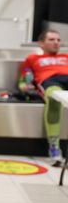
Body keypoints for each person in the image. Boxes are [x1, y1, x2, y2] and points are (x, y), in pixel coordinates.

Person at [19, 29, 68, 165]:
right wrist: (24, 85)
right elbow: (24, 79)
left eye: (58, 40)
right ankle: (54, 147)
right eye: (51, 39)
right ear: (41, 43)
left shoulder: (66, 57)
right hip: (50, 81)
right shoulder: (33, 59)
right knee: (54, 99)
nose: (56, 43)